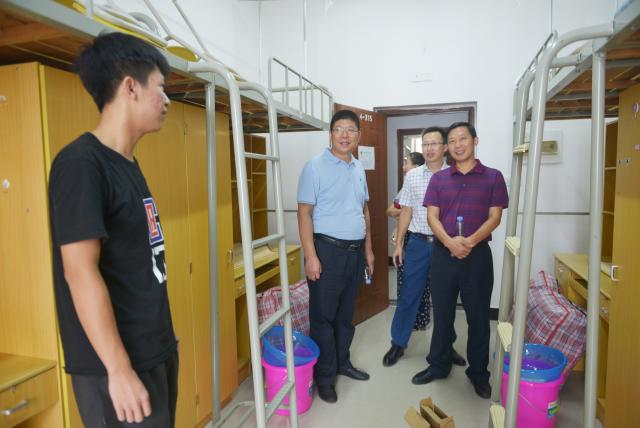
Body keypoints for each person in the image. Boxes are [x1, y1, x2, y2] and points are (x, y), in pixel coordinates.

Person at [48, 32, 178, 426]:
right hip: (116, 368)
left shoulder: (127, 164)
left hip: (151, 350)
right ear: (130, 87)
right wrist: (119, 370)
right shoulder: (81, 165)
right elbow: (79, 272)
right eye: (160, 87)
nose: (167, 99)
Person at [412, 122, 508, 399]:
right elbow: (432, 216)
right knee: (442, 314)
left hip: (477, 256)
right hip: (444, 255)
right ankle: (438, 365)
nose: (457, 145)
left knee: (479, 318)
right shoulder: (439, 179)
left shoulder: (493, 177)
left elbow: (495, 217)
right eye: (452, 141)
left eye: (462, 138)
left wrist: (469, 242)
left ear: (475, 141)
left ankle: (478, 373)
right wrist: (450, 242)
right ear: (448, 147)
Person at [297, 109, 375, 403]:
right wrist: (311, 256)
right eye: (339, 129)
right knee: (323, 318)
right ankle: (325, 377)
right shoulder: (314, 167)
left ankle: (342, 362)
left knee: (345, 316)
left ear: (358, 136)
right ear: (330, 134)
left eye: (351, 130)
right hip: (326, 251)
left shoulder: (358, 168)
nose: (345, 135)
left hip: (355, 253)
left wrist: (368, 250)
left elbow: (364, 210)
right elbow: (304, 214)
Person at [383, 127, 466, 369]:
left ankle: (447, 345)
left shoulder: (455, 176)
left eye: (434, 144)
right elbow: (405, 211)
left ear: (445, 147)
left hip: (444, 245)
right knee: (409, 295)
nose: (429, 149)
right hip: (418, 244)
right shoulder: (412, 176)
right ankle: (398, 343)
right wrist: (399, 244)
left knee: (445, 299)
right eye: (425, 144)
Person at [386, 152, 431, 332]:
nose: (403, 167)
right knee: (408, 283)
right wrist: (409, 210)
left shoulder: (433, 182)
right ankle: (410, 322)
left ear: (416, 167)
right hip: (408, 238)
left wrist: (411, 210)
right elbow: (390, 210)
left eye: (407, 163)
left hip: (424, 239)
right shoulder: (408, 185)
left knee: (423, 283)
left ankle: (421, 319)